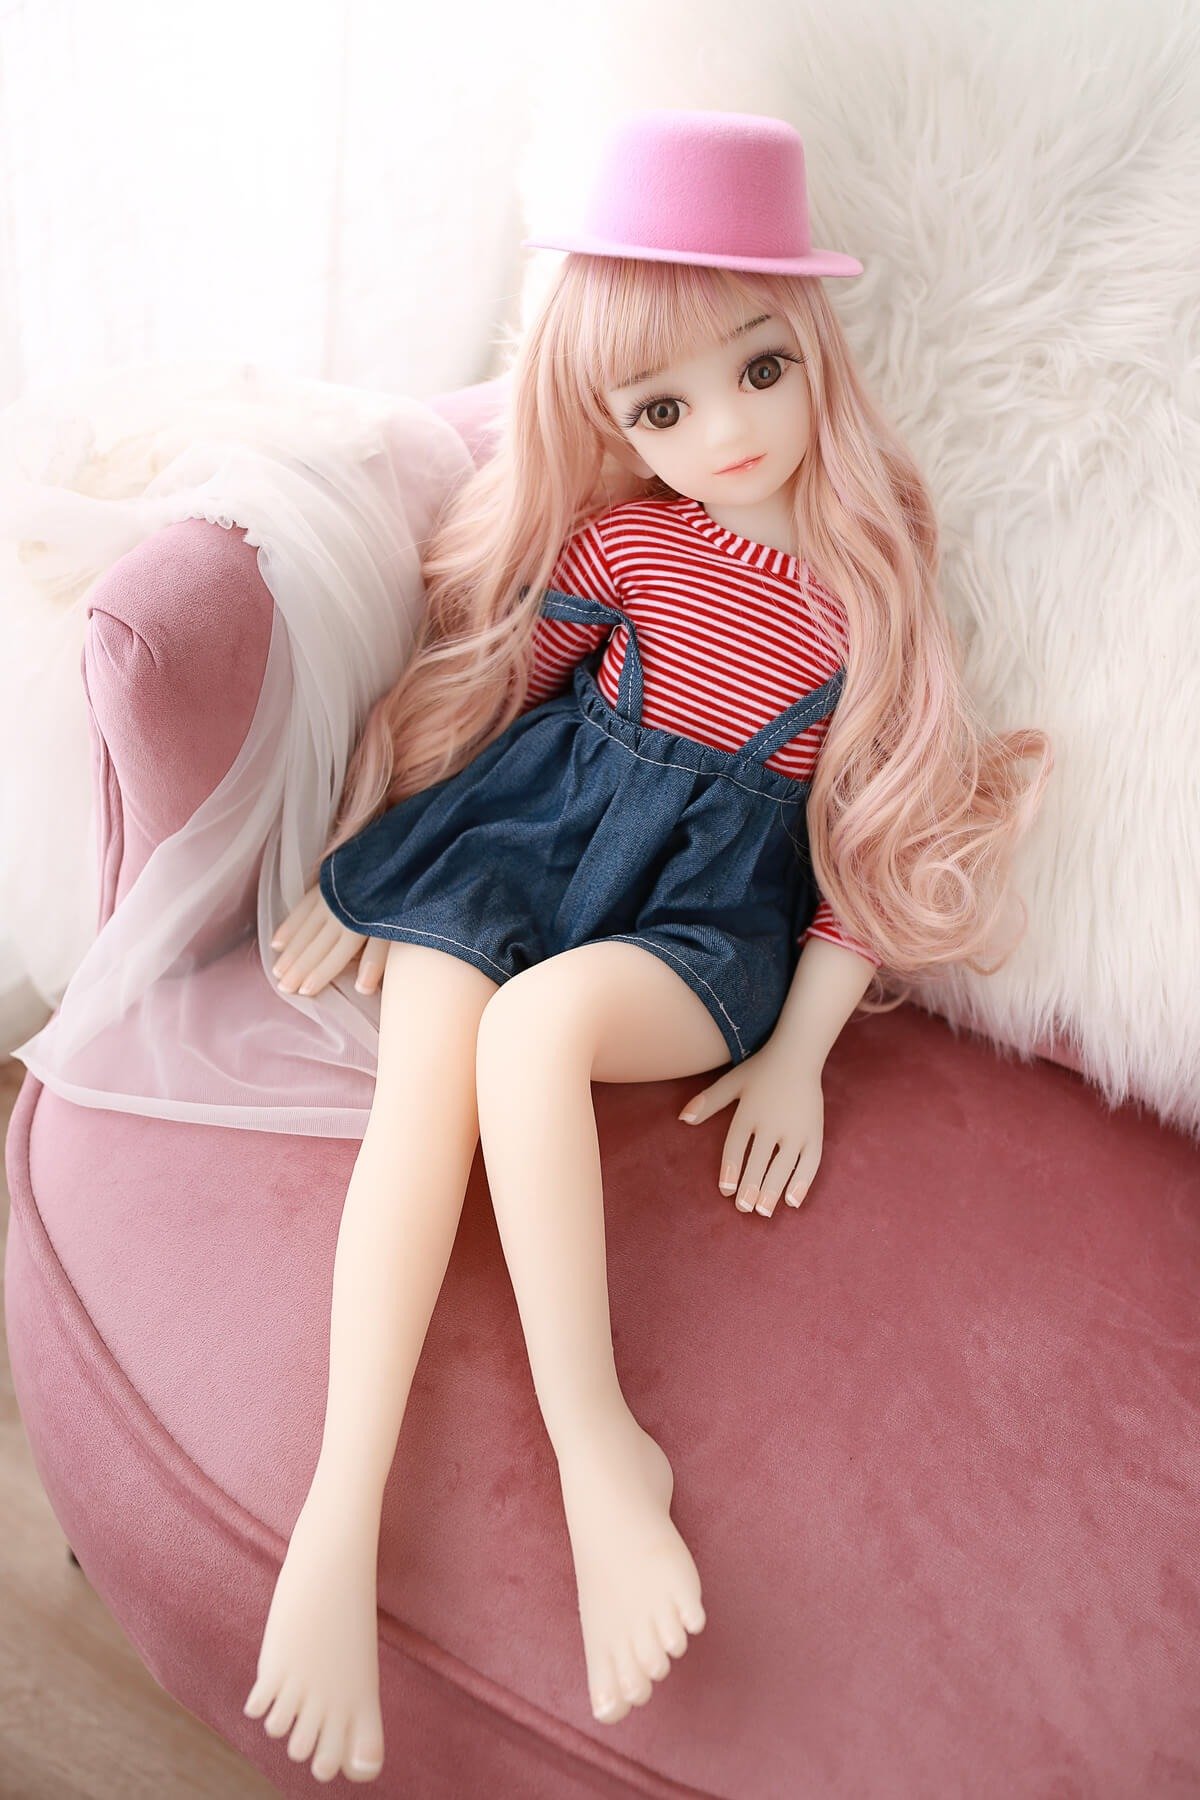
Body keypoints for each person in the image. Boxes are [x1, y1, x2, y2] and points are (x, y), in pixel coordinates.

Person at [240, 110, 1053, 1783]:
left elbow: (879, 825)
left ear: (814, 348)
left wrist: (802, 1054)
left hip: (705, 912)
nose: (726, 432)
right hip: (527, 839)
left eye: (759, 369)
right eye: (661, 410)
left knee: (535, 1032)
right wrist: (371, 863)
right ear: (610, 425)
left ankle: (599, 1448)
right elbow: (494, 696)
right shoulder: (625, 549)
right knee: (427, 1087)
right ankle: (337, 1509)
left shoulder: (874, 588)